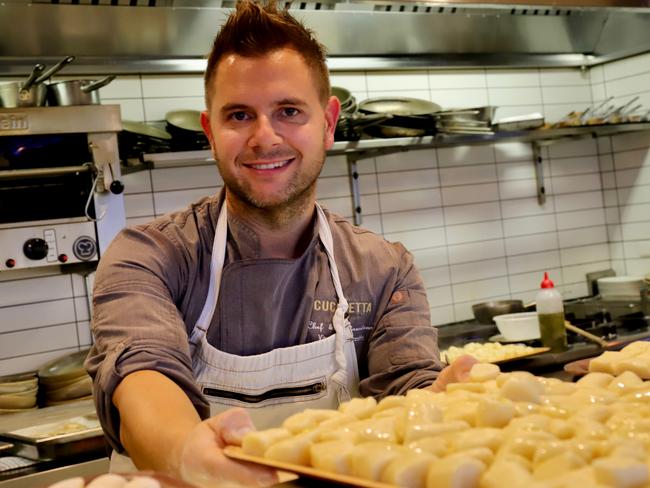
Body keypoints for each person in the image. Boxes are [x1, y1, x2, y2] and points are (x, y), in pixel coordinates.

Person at [85, 1, 476, 485]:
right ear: (210, 132)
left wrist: (451, 395)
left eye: (289, 111)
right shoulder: (150, 257)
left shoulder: (382, 268)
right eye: (239, 116)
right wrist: (187, 454)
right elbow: (144, 373)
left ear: (329, 123)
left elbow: (407, 394)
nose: (264, 137)